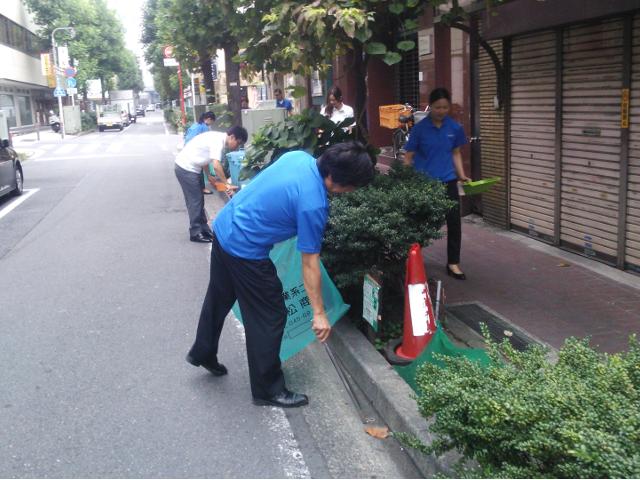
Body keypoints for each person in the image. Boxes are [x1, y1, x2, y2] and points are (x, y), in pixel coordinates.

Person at [186, 142, 376, 407]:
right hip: (245, 247)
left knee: (219, 295)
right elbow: (309, 263)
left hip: (225, 225)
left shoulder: (298, 157)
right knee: (270, 315)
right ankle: (267, 389)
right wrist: (319, 314)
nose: (351, 191)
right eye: (352, 184)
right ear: (334, 177)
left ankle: (203, 351)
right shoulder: (314, 205)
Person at [403, 87, 471, 280]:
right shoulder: (419, 129)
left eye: (445, 107)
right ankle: (413, 260)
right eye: (437, 107)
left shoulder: (454, 128)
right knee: (419, 222)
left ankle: (453, 263)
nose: (441, 111)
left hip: (448, 180)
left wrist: (462, 175)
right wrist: (407, 180)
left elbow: (456, 153)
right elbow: (408, 157)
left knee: (454, 222)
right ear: (429, 106)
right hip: (424, 183)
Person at [175, 126, 248, 243]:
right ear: (232, 137)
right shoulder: (218, 141)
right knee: (195, 200)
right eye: (238, 143)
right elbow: (216, 165)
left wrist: (209, 175)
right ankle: (195, 232)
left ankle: (204, 229)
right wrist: (226, 184)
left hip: (193, 167)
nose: (237, 147)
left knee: (199, 200)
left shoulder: (217, 138)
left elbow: (203, 157)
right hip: (186, 168)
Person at [184, 112, 217, 194]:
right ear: (209, 119)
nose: (210, 124)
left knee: (194, 170)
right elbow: (207, 142)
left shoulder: (195, 125)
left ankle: (197, 188)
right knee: (200, 169)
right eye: (211, 122)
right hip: (194, 150)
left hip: (186, 150)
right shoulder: (204, 127)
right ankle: (202, 188)